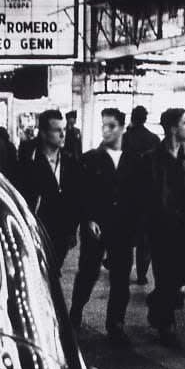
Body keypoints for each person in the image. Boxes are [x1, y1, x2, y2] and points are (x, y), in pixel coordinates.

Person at [69, 107, 141, 345]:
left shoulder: (133, 160)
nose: (106, 130)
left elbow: (138, 195)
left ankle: (116, 324)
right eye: (104, 125)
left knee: (121, 278)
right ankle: (76, 310)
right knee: (88, 272)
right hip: (97, 226)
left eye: (111, 125)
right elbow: (80, 193)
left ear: (122, 128)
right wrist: (87, 218)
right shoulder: (90, 159)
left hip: (123, 227)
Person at [141, 108, 185, 347]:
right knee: (166, 276)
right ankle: (166, 325)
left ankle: (157, 306)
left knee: (183, 274)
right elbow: (152, 196)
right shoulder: (152, 159)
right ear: (172, 128)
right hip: (162, 228)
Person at [17, 109, 85, 268]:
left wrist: (72, 229)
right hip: (39, 232)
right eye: (57, 130)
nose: (63, 135)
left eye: (63, 130)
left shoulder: (70, 162)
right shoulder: (29, 164)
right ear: (43, 133)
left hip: (63, 233)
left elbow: (76, 197)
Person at [123, 105, 160, 285]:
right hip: (147, 194)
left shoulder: (124, 138)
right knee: (145, 237)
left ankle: (122, 267)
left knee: (126, 233)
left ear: (133, 117)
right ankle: (142, 274)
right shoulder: (153, 139)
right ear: (145, 119)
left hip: (127, 193)